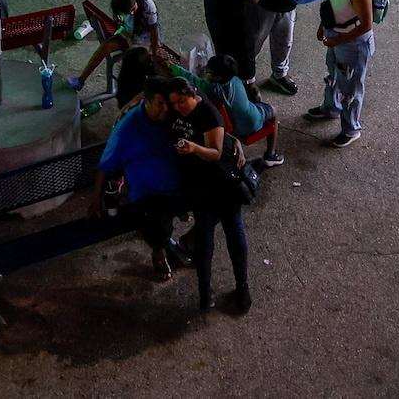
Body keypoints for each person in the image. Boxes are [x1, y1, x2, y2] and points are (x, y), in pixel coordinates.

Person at [164, 77, 254, 312]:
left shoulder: (208, 113)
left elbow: (214, 153)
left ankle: (242, 287)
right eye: (174, 104)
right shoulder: (176, 113)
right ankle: (205, 293)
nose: (178, 108)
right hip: (198, 187)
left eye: (182, 102)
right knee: (204, 240)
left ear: (193, 94)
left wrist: (193, 148)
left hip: (222, 183)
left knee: (234, 231)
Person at [90, 79, 188, 282]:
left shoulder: (170, 116)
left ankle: (187, 240)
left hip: (175, 182)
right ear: (147, 101)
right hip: (147, 191)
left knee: (219, 199)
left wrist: (229, 139)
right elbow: (105, 164)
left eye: (167, 104)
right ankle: (159, 251)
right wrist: (96, 198)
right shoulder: (128, 128)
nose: (165, 109)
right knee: (159, 220)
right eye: (160, 104)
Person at [302, 0, 378, 148]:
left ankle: (351, 129)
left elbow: (366, 25)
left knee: (350, 89)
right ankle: (330, 108)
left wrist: (338, 40)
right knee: (333, 76)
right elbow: (329, 5)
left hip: (352, 47)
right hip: (336, 39)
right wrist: (323, 27)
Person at [67, 0, 162, 90]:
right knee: (105, 47)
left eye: (133, 9)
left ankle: (133, 92)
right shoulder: (120, 4)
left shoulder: (148, 5)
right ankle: (80, 80)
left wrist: (154, 52)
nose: (131, 13)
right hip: (128, 33)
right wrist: (125, 34)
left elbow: (154, 31)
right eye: (128, 12)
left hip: (145, 38)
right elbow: (121, 23)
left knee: (134, 62)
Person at [203, 52, 282, 166]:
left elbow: (195, 79)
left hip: (232, 129)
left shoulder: (210, 88)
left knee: (255, 103)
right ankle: (271, 155)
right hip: (251, 122)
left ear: (217, 77)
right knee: (274, 111)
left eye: (208, 70)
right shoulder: (235, 80)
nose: (206, 70)